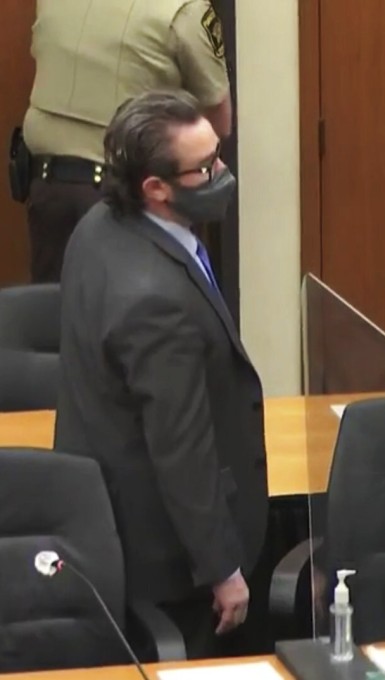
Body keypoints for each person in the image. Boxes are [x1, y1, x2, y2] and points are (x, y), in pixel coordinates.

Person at [54, 90, 264, 659]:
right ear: (155, 187)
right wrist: (222, 569)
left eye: (218, 154)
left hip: (107, 519)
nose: (222, 173)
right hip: (171, 564)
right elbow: (181, 448)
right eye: (206, 167)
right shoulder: (154, 299)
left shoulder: (101, 226)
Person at [18, 0, 232, 283]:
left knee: (58, 305)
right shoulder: (182, 11)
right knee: (148, 304)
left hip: (50, 190)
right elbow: (218, 121)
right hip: (130, 200)